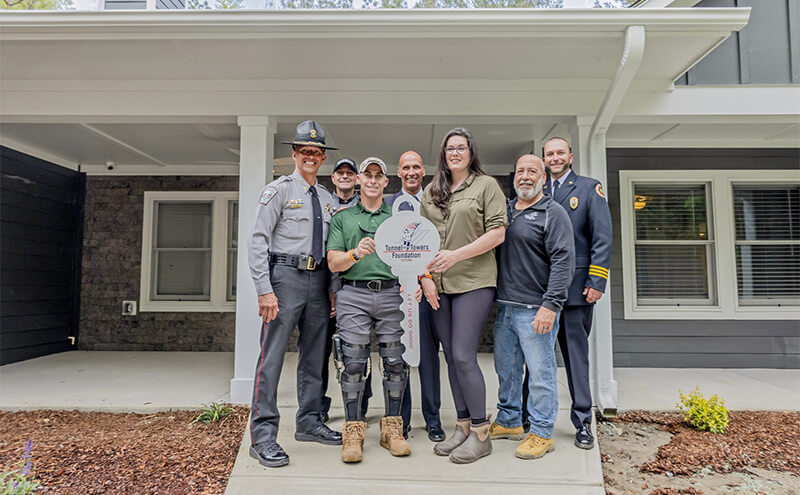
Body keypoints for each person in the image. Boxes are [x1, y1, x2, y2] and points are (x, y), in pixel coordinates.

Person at [247, 120, 342, 468]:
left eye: (317, 153)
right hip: (284, 278)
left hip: (319, 281)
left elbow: (333, 246)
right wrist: (264, 290)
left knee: (315, 357)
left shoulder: (329, 200)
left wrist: (332, 290)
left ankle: (310, 422)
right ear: (294, 154)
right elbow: (257, 240)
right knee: (271, 358)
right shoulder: (279, 190)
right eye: (305, 151)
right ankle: (263, 437)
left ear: (322, 158)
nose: (311, 157)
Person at [419, 128, 507, 464]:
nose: (455, 153)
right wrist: (425, 277)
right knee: (450, 357)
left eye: (461, 147)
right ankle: (463, 425)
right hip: (439, 285)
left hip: (474, 281)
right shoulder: (432, 190)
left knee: (463, 355)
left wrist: (456, 255)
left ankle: (482, 434)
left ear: (471, 152)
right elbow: (422, 242)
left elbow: (497, 233)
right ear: (443, 154)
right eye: (449, 148)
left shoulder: (486, 186)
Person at [327, 157, 412, 463]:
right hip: (353, 294)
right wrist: (354, 252)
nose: (373, 180)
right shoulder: (343, 218)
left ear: (386, 182)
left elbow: (414, 256)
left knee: (394, 361)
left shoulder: (399, 218)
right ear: (359, 180)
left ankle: (392, 430)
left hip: (391, 294)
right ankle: (353, 431)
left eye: (379, 175)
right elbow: (333, 262)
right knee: (352, 362)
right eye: (368, 175)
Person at [489, 154, 575, 460]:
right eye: (521, 171)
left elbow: (564, 262)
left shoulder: (553, 213)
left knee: (541, 374)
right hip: (506, 307)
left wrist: (550, 305)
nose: (525, 176)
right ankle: (510, 420)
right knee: (507, 370)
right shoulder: (506, 211)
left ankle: (541, 432)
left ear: (543, 177)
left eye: (532, 171)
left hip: (536, 309)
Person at [540, 136, 612, 450]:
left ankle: (583, 421)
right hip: (540, 293)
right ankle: (533, 420)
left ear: (570, 155)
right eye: (549, 154)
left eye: (560, 152)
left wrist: (596, 281)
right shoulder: (537, 192)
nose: (555, 158)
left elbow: (602, 236)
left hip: (575, 290)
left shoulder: (588, 188)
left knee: (575, 359)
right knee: (537, 359)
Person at [385, 151, 445, 443]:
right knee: (400, 356)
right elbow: (387, 249)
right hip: (397, 293)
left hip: (428, 291)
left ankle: (433, 420)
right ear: (399, 172)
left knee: (428, 356)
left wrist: (425, 277)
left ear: (424, 172)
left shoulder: (436, 202)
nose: (411, 172)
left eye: (416, 167)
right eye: (405, 167)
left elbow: (439, 244)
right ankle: (402, 421)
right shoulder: (388, 205)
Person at [320, 157, 367, 424]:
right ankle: (320, 406)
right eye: (341, 173)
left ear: (357, 178)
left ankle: (360, 406)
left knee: (359, 351)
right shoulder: (324, 205)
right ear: (334, 178)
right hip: (324, 287)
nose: (346, 176)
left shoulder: (365, 205)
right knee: (321, 352)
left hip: (355, 288)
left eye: (351, 172)